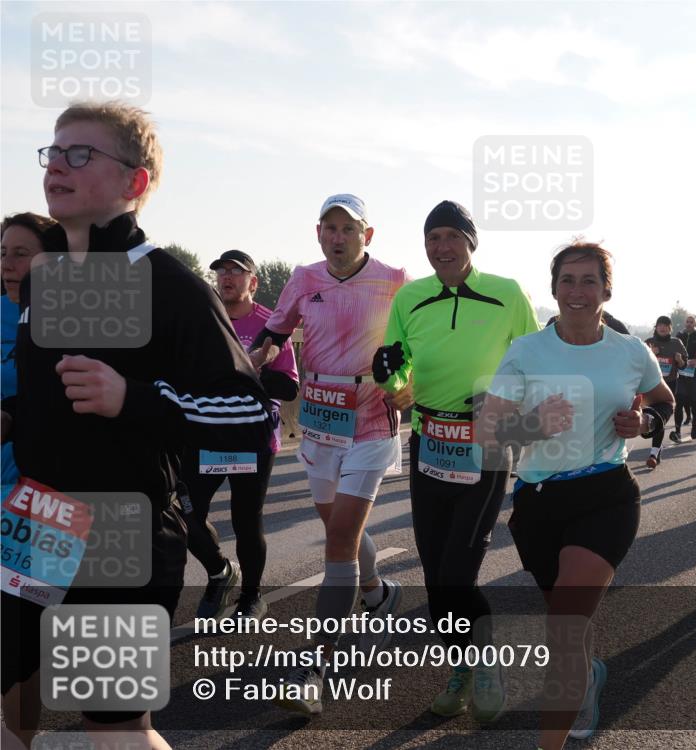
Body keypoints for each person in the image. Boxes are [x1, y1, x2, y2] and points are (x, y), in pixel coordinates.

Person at [1, 101, 271, 749]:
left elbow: (248, 412)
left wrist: (136, 398)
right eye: (53, 152)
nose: (57, 165)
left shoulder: (169, 284)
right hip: (39, 520)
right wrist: (11, 419)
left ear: (135, 182)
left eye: (80, 154)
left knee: (115, 731)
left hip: (123, 530)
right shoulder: (47, 282)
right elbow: (50, 401)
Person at [480, 241, 673, 750]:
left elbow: (664, 402)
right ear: (554, 289)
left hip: (606, 495)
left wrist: (644, 422)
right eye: (568, 280)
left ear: (607, 290)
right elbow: (488, 433)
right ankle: (587, 677)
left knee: (564, 628)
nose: (578, 291)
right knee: (571, 623)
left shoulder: (631, 351)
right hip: (539, 502)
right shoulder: (526, 350)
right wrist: (533, 424)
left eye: (590, 280)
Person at [373, 200, 540, 722]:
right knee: (434, 575)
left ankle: (483, 661)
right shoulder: (412, 297)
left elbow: (532, 362)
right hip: (428, 442)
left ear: (471, 241)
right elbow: (392, 365)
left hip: (485, 445)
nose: (441, 247)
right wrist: (393, 386)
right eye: (432, 238)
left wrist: (502, 400)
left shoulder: (508, 293)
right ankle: (460, 667)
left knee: (457, 574)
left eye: (451, 236)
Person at [247, 194, 408, 716]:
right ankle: (380, 595)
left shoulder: (395, 280)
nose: (338, 237)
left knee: (338, 538)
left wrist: (411, 380)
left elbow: (417, 339)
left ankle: (315, 666)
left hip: (370, 420)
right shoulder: (302, 278)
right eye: (329, 228)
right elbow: (273, 333)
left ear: (368, 234)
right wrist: (255, 359)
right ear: (319, 234)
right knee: (340, 528)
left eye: (348, 228)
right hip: (317, 422)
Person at [178, 250, 299, 622]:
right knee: (183, 515)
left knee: (247, 520)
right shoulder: (202, 318)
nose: (226, 277)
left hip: (251, 440)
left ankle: (251, 597)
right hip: (206, 436)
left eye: (236, 271)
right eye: (221, 271)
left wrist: (256, 369)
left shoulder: (271, 325)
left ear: (253, 282)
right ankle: (220, 570)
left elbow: (290, 386)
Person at [1, 214, 55, 503]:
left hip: (51, 489)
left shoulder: (79, 321)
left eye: (21, 254)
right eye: (3, 253)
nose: (7, 264)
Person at [642, 316, 683, 468]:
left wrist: (679, 360)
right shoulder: (648, 342)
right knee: (650, 418)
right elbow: (639, 363)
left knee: (660, 418)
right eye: (660, 325)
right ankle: (655, 452)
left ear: (670, 328)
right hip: (650, 386)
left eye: (665, 325)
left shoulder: (676, 343)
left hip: (670, 385)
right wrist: (651, 354)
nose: (662, 328)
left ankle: (654, 453)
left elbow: (684, 365)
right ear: (656, 327)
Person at [674, 315, 696, 440]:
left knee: (693, 403)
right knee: (679, 404)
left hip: (695, 376)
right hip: (680, 376)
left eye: (691, 322)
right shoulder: (678, 337)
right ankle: (677, 432)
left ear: (695, 324)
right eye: (687, 322)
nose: (689, 324)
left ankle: (695, 426)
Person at [547, 309, 629, 334]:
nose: (577, 292)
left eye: (589, 282)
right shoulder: (553, 325)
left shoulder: (616, 328)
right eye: (567, 281)